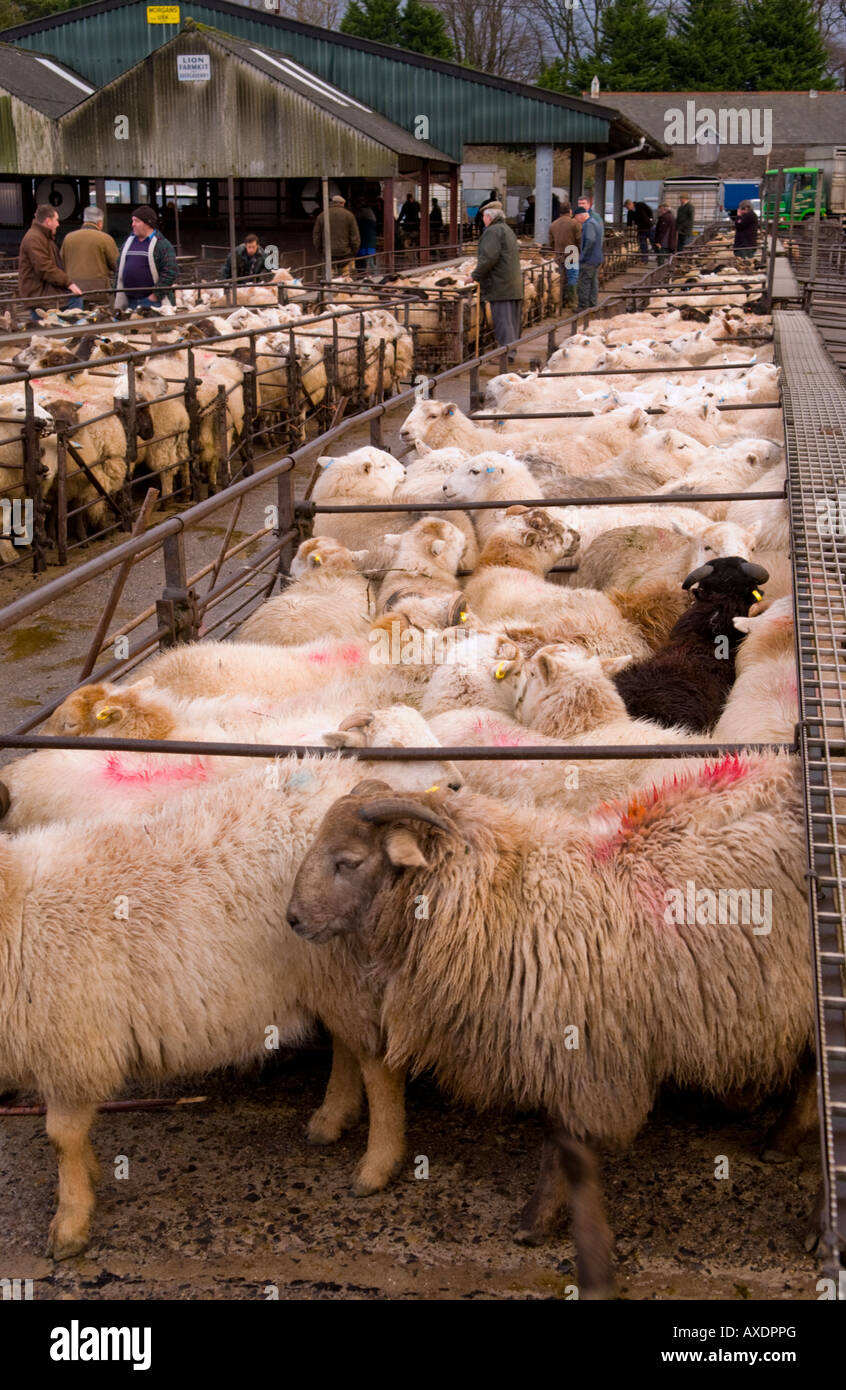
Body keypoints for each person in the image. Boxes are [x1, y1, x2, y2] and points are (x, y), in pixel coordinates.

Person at [470, 201, 523, 359]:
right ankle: (511, 350)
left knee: (502, 322)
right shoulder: (507, 230)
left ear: (489, 217)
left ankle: (507, 355)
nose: (483, 220)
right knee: (512, 321)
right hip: (512, 283)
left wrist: (474, 275)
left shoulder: (492, 231)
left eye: (484, 217)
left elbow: (488, 257)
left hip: (500, 284)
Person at [18, 205, 82, 321]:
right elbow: (45, 267)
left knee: (75, 301)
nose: (58, 224)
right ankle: (73, 334)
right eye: (56, 220)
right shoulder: (34, 238)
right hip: (41, 295)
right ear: (48, 221)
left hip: (43, 292)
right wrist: (68, 283)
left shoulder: (43, 237)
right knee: (75, 301)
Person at [114, 205, 177, 310]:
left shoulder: (162, 244)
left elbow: (171, 271)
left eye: (137, 221)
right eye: (132, 221)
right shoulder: (129, 242)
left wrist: (155, 295)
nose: (132, 224)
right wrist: (117, 290)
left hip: (151, 303)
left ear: (148, 223)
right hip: (128, 300)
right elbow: (119, 266)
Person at [60, 206, 119, 310]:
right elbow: (117, 265)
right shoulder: (105, 239)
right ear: (100, 223)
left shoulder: (68, 238)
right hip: (98, 292)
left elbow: (61, 263)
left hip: (73, 290)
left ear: (84, 220)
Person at [313, 193, 360, 275]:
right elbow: (355, 237)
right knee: (346, 280)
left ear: (333, 203)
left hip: (328, 254)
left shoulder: (322, 215)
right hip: (346, 254)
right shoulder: (349, 216)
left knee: (330, 280)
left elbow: (317, 236)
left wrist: (320, 250)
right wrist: (354, 252)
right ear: (342, 203)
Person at [549, 200, 581, 313]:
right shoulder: (575, 223)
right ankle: (573, 302)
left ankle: (561, 302)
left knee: (561, 279)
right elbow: (579, 240)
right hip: (572, 254)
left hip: (559, 255)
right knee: (572, 278)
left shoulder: (553, 224)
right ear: (570, 211)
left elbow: (551, 242)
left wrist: (557, 250)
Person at [574, 203, 603, 310]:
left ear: (580, 215)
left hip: (589, 259)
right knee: (593, 282)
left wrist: (583, 255)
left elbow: (590, 240)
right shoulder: (594, 223)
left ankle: (583, 306)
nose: (577, 221)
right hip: (596, 258)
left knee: (584, 282)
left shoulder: (588, 224)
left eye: (577, 218)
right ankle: (592, 303)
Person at [355, 199, 378, 271]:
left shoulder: (361, 214)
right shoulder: (371, 214)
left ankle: (363, 276)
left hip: (363, 243)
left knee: (363, 262)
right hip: (370, 243)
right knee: (371, 262)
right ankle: (375, 276)